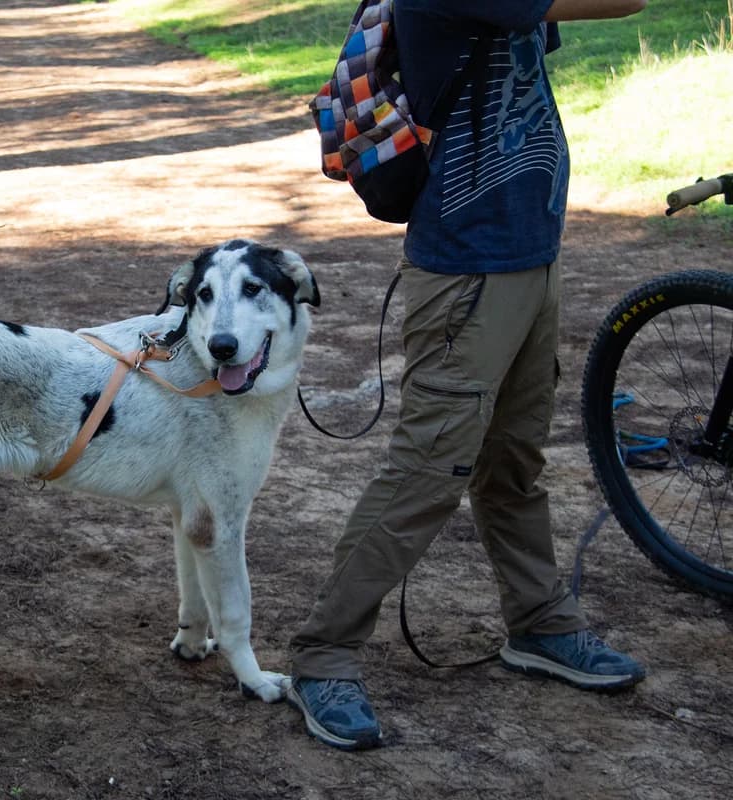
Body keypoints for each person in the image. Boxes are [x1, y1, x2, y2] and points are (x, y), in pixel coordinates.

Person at [288, 0, 649, 751]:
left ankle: (540, 623)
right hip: (468, 269)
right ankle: (324, 655)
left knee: (513, 463)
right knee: (426, 471)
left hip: (529, 250)